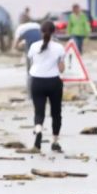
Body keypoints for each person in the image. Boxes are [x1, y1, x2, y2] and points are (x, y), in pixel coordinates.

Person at [27, 21, 65, 152]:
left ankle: (38, 131)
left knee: (39, 111)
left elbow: (32, 63)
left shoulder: (33, 46)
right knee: (56, 113)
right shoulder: (59, 48)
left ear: (41, 32)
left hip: (37, 81)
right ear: (54, 32)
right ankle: (55, 141)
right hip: (54, 82)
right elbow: (61, 69)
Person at [13, 18, 42, 98]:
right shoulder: (36, 25)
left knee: (30, 71)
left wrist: (20, 47)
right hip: (41, 42)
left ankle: (31, 94)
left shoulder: (19, 29)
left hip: (32, 48)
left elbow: (15, 45)